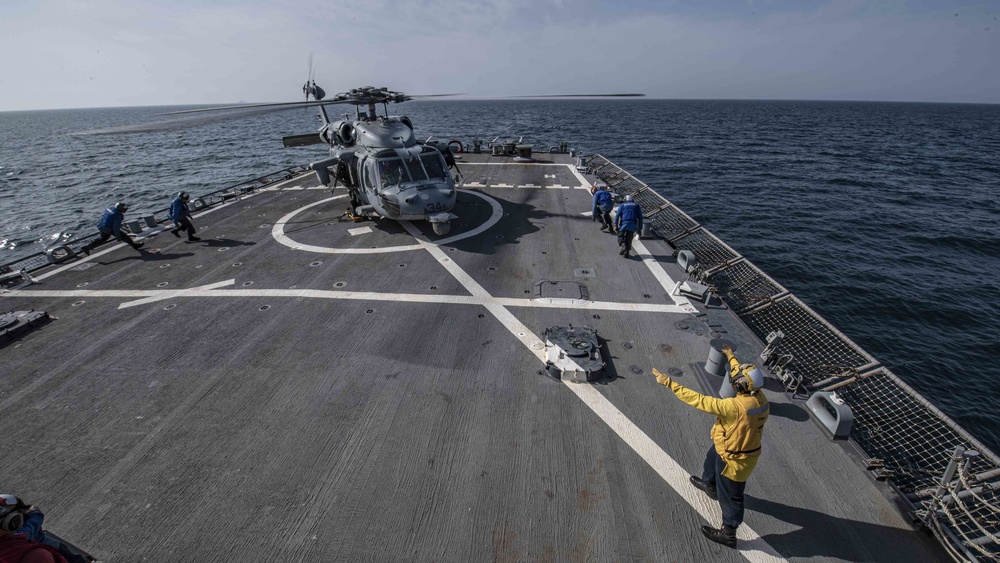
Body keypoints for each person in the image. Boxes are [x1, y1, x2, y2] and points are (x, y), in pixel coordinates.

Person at [651, 345, 769, 549]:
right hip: (726, 445)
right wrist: (731, 356)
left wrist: (670, 383)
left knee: (733, 496)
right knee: (710, 460)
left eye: (735, 381)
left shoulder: (733, 407)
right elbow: (739, 372)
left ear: (740, 387)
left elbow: (699, 400)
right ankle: (709, 485)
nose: (733, 381)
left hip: (735, 460)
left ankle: (729, 532)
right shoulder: (761, 399)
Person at [0, 494, 67, 563]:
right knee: (75, 557)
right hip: (41, 542)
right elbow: (32, 525)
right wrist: (34, 512)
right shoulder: (35, 554)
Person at [80, 202, 144, 256]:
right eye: (123, 208)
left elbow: (109, 217)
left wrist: (118, 224)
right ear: (120, 208)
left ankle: (87, 247)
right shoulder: (118, 215)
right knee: (124, 236)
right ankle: (134, 246)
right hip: (108, 228)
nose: (125, 209)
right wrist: (118, 237)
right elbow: (116, 229)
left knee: (102, 239)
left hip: (101, 225)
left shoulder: (111, 209)